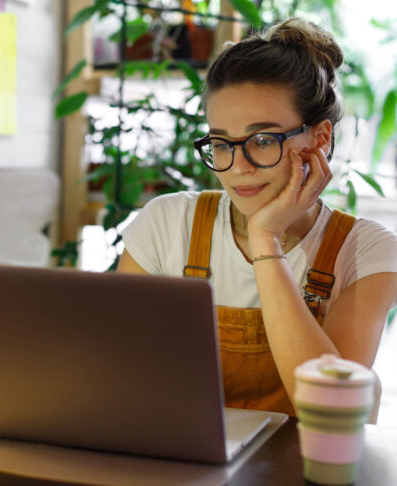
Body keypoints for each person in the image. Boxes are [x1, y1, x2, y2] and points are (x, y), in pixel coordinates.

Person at [117, 18, 397, 416]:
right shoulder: (168, 222)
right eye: (221, 142)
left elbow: (332, 410)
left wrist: (266, 240)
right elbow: (114, 370)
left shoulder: (365, 250)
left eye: (262, 140)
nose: (237, 167)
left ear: (320, 138)